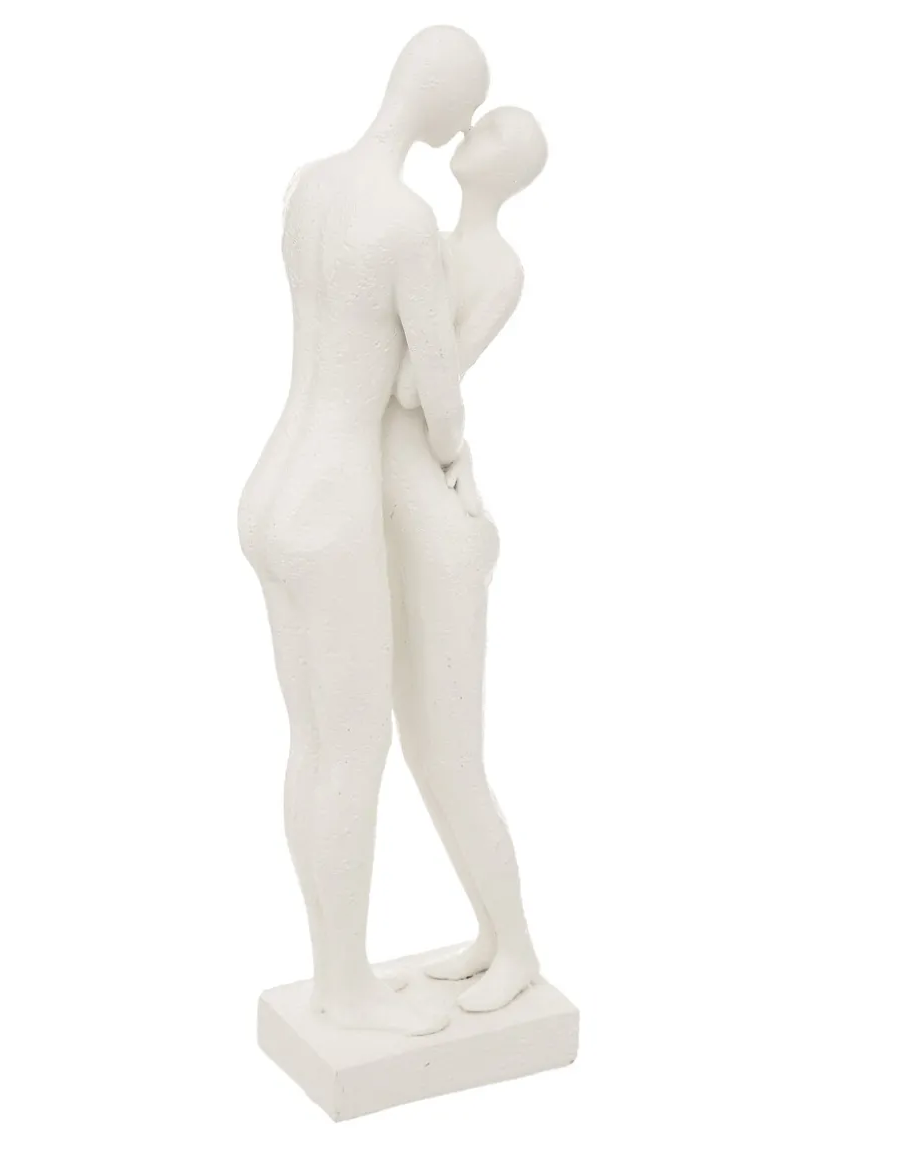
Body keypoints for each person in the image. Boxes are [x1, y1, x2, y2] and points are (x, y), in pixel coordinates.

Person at [238, 27, 489, 1035]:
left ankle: (332, 973)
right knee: (350, 752)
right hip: (335, 503)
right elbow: (431, 387)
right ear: (446, 109)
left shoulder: (311, 186)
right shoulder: (405, 221)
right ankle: (343, 986)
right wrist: (453, 454)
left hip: (272, 483)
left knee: (313, 748)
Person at [383, 106, 550, 1012]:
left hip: (440, 524)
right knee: (422, 749)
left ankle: (517, 947)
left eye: (493, 131)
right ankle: (489, 934)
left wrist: (458, 450)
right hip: (412, 502)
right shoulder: (433, 244)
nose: (471, 131)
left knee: (453, 755)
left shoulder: (496, 266)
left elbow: (419, 386)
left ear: (514, 169)